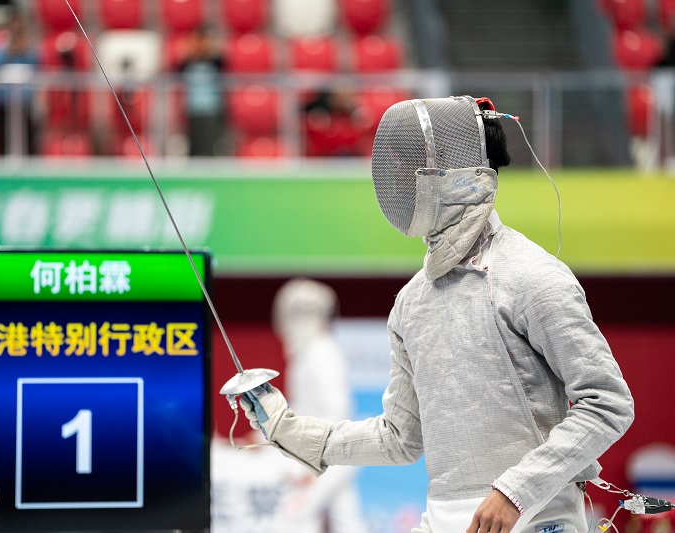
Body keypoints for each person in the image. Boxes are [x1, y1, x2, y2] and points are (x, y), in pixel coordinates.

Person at [241, 95, 635, 532]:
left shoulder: (531, 276)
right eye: (394, 166)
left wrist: (515, 491)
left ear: (458, 172)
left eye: (411, 164)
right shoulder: (412, 302)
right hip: (444, 516)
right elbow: (399, 438)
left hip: (536, 514)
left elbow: (607, 403)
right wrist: (291, 431)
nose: (398, 178)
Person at [271, 279, 367, 533]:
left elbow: (336, 413)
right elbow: (301, 411)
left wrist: (310, 462)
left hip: (332, 455)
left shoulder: (322, 353)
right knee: (346, 521)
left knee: (293, 517)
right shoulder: (308, 354)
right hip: (328, 454)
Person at [0, 7, 38, 156]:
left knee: (28, 147)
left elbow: (36, 66)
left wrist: (23, 49)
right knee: (2, 147)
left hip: (24, 104)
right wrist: (9, 51)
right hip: (3, 104)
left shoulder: (29, 50)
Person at [176, 26, 226, 157]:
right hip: (192, 107)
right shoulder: (188, 62)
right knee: (194, 143)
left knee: (210, 142)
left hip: (211, 107)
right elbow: (177, 73)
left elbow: (223, 65)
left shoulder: (216, 61)